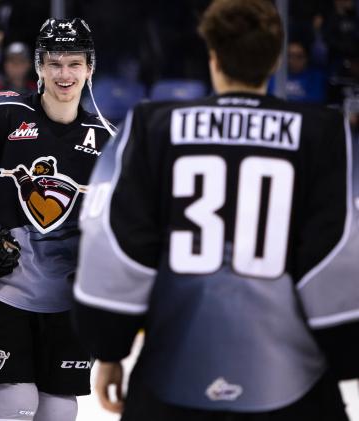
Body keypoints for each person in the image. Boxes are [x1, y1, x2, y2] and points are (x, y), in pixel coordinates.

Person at [73, 0, 356, 420]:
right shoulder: (322, 132)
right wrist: (344, 349)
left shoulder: (153, 124)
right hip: (292, 385)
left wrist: (109, 348)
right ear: (275, 57)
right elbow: (338, 250)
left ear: (214, 57)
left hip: (169, 383)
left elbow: (115, 243)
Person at [0, 18, 114, 421]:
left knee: (59, 410)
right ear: (39, 66)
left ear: (90, 68)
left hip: (66, 302)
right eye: (54, 63)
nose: (64, 74)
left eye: (74, 64)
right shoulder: (0, 113)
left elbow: (119, 223)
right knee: (15, 404)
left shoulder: (108, 142)